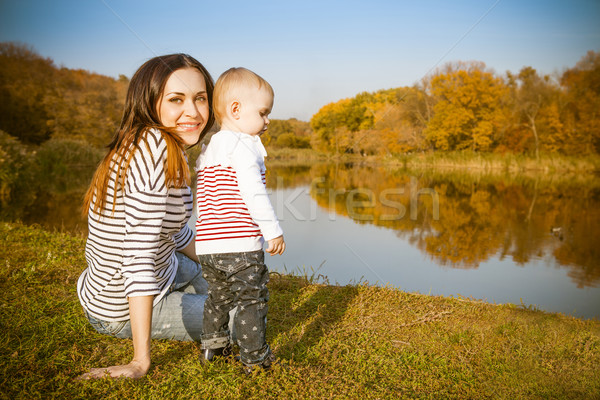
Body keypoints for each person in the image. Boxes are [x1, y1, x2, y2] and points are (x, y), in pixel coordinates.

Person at [76, 53, 216, 380]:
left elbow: (175, 234)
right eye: (176, 99)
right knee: (243, 318)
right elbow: (138, 257)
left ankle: (195, 294)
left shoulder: (167, 146)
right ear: (149, 103)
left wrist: (224, 264)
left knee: (222, 273)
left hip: (154, 270)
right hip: (117, 307)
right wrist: (140, 362)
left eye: (200, 99)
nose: (193, 112)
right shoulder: (152, 149)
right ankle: (153, 320)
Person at [195, 67, 285, 373]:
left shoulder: (209, 149)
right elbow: (253, 193)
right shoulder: (244, 147)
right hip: (240, 245)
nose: (267, 121)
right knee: (252, 299)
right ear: (236, 109)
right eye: (263, 112)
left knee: (218, 298)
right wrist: (272, 231)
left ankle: (213, 349)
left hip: (208, 245)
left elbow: (206, 199)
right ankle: (255, 359)